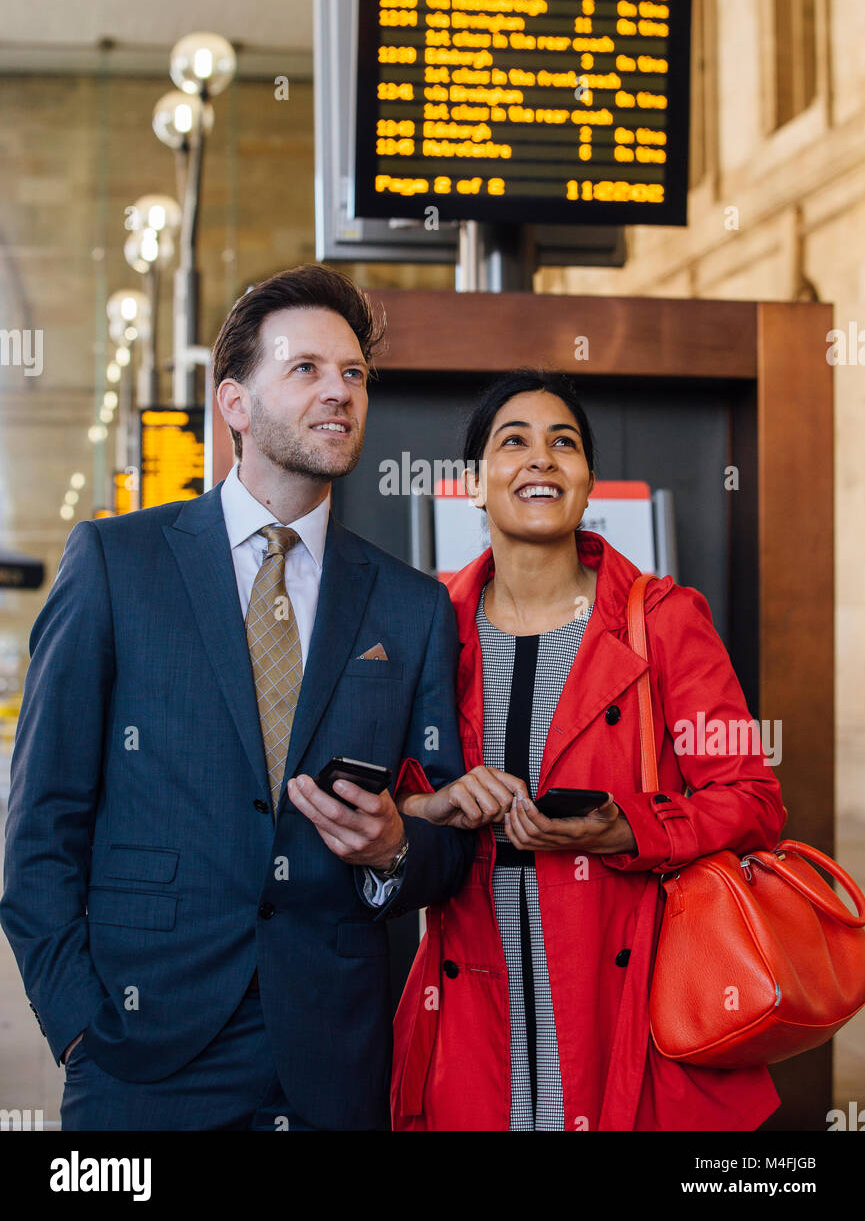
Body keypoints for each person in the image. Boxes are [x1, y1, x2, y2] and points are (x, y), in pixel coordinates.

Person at [0, 264, 474, 1131]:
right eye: (307, 370)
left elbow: (449, 839)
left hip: (333, 1060)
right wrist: (77, 1028)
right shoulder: (116, 564)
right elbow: (42, 823)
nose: (340, 392)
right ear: (234, 404)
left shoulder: (412, 606)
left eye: (355, 374)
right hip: (141, 1056)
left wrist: (400, 844)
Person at [391, 369, 786, 1132]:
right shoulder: (429, 629)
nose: (540, 459)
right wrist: (425, 806)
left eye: (562, 443)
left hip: (628, 1013)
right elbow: (400, 803)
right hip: (472, 1019)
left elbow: (754, 801)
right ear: (475, 486)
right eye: (515, 442)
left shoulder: (667, 621)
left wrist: (629, 828)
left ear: (587, 481)